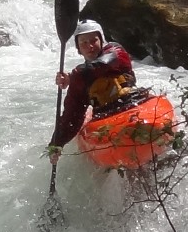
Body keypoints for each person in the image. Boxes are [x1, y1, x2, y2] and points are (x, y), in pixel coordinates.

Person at [47, 21, 142, 159]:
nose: (90, 46)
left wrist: (72, 76)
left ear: (102, 41)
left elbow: (102, 64)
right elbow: (71, 117)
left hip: (132, 106)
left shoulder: (116, 52)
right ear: (78, 48)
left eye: (93, 40)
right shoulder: (79, 79)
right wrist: (56, 144)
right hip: (106, 117)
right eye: (84, 43)